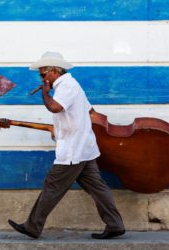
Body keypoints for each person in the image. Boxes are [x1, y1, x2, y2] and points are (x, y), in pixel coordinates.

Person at [8, 51, 125, 239]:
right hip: (84, 148)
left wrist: (45, 94)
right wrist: (68, 125)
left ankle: (32, 226)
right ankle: (115, 224)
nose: (42, 78)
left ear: (54, 70)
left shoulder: (65, 86)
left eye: (43, 74)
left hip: (73, 150)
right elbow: (90, 111)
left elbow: (55, 107)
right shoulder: (73, 85)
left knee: (52, 186)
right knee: (98, 187)